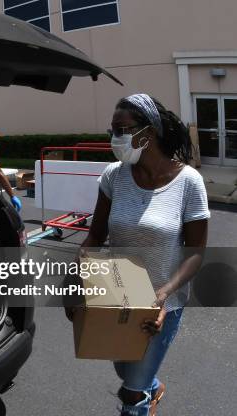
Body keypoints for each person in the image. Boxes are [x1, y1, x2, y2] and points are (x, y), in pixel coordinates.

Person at [67, 94, 209, 416]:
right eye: (112, 131)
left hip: (162, 303)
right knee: (126, 369)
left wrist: (163, 294)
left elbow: (196, 253)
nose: (115, 139)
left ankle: (142, 396)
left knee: (132, 391)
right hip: (120, 297)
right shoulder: (114, 176)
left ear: (150, 131)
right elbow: (95, 236)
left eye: (123, 130)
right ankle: (152, 385)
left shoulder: (189, 183)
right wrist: (75, 278)